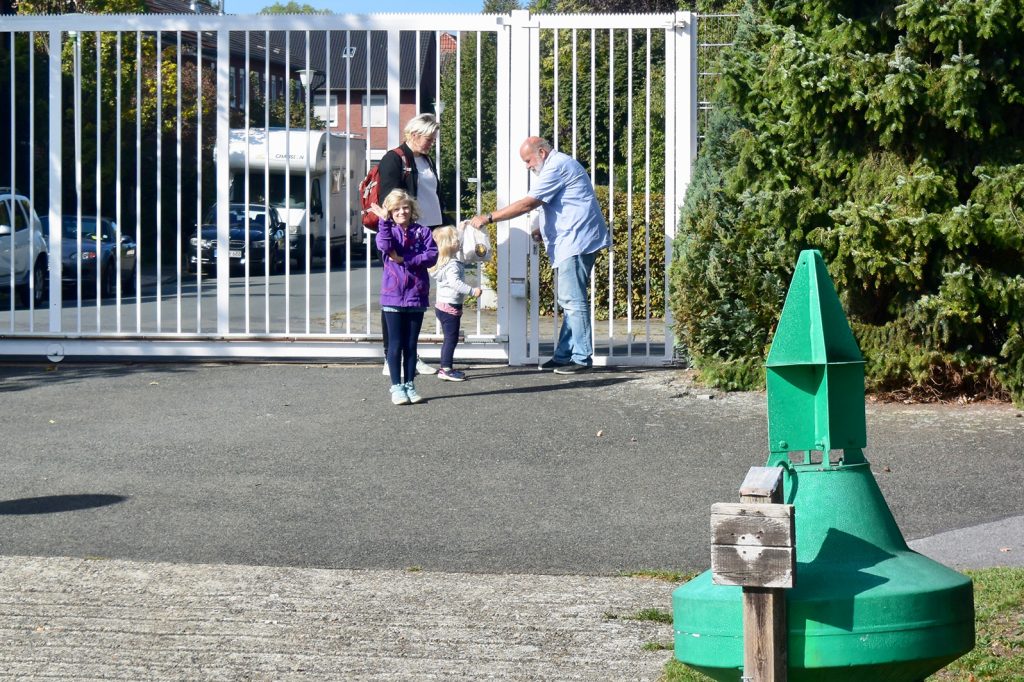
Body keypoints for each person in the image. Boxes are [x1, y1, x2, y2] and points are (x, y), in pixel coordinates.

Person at [470, 136, 610, 374]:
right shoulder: (560, 164)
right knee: (569, 300)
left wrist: (489, 217)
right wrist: (541, 229)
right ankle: (564, 355)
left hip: (575, 241)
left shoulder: (556, 166)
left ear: (542, 153)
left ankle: (582, 357)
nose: (527, 166)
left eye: (528, 160)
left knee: (572, 301)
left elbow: (528, 203)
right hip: (575, 240)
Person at [376, 113, 446, 377]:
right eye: (429, 138)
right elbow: (389, 200)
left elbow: (433, 195)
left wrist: (443, 226)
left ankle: (411, 355)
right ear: (414, 135)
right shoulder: (394, 159)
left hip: (425, 234)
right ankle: (391, 356)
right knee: (396, 298)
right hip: (402, 238)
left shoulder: (426, 160)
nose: (432, 143)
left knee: (415, 297)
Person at [371, 189, 438, 405]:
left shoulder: (423, 232)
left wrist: (405, 259)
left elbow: (431, 255)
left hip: (416, 294)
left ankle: (410, 384)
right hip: (393, 296)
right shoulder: (387, 230)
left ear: (412, 209)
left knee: (411, 345)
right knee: (395, 344)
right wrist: (383, 222)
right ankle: (396, 387)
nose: (402, 212)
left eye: (405, 207)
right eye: (396, 209)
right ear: (390, 212)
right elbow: (384, 245)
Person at [428, 226, 483, 382]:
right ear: (448, 244)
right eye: (456, 240)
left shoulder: (443, 262)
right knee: (451, 339)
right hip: (450, 306)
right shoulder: (452, 265)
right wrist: (472, 291)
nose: (459, 242)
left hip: (443, 305)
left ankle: (446, 367)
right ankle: (445, 368)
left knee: (450, 338)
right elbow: (455, 283)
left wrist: (462, 228)